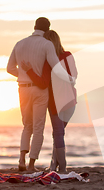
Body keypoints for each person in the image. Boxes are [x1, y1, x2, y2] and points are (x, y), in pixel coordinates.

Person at [6, 17, 73, 172]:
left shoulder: (19, 43)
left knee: (27, 126)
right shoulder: (47, 44)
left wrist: (23, 76)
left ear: (34, 26)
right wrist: (70, 79)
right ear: (47, 29)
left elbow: (9, 68)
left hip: (22, 88)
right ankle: (31, 165)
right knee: (38, 128)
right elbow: (56, 68)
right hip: (39, 90)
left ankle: (21, 160)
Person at [20, 30, 77, 173]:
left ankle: (62, 168)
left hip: (55, 103)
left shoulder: (48, 62)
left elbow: (42, 83)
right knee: (58, 133)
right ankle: (54, 165)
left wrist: (29, 71)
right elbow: (74, 76)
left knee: (58, 133)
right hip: (71, 101)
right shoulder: (68, 55)